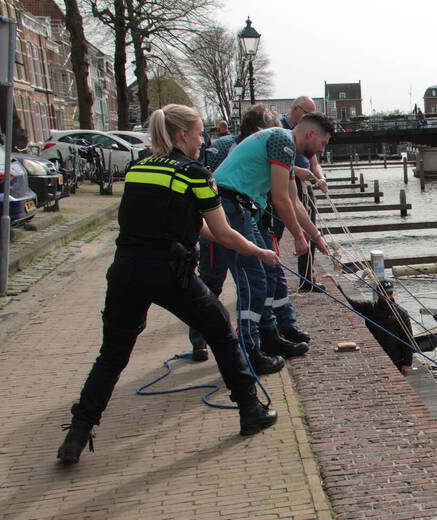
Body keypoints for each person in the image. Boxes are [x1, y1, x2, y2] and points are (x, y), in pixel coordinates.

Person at [57, 104, 281, 465]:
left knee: (112, 355)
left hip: (125, 269)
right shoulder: (196, 174)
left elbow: (195, 227)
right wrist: (259, 251)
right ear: (182, 135)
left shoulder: (138, 169)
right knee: (221, 331)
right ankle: (250, 410)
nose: (202, 139)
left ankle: (77, 433)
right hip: (168, 271)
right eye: (198, 133)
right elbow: (223, 233)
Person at [210, 112, 334, 372]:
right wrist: (299, 237)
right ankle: (247, 349)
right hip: (230, 205)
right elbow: (280, 199)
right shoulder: (282, 140)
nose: (320, 151)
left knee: (268, 273)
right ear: (310, 134)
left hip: (243, 208)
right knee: (252, 279)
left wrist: (315, 236)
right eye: (322, 143)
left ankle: (270, 337)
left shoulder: (284, 149)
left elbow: (294, 201)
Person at [189, 104, 280, 362]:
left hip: (220, 220)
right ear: (261, 131)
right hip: (226, 220)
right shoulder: (254, 149)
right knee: (236, 281)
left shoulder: (234, 146)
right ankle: (240, 345)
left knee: (212, 284)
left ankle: (205, 342)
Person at [277, 96, 328, 291]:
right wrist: (297, 171)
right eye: (308, 113)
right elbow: (278, 161)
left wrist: (321, 179)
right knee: (281, 225)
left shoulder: (308, 133)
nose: (310, 118)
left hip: (304, 184)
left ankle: (307, 277)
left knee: (310, 224)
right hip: (287, 180)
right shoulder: (282, 130)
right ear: (296, 109)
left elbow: (314, 162)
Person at [364, 281, 413, 376]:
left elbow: (408, 339)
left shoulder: (401, 313)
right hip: (376, 357)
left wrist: (407, 364)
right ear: (378, 294)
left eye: (390, 293)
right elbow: (351, 303)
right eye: (385, 294)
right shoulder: (371, 309)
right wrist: (337, 285)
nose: (388, 296)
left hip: (396, 359)